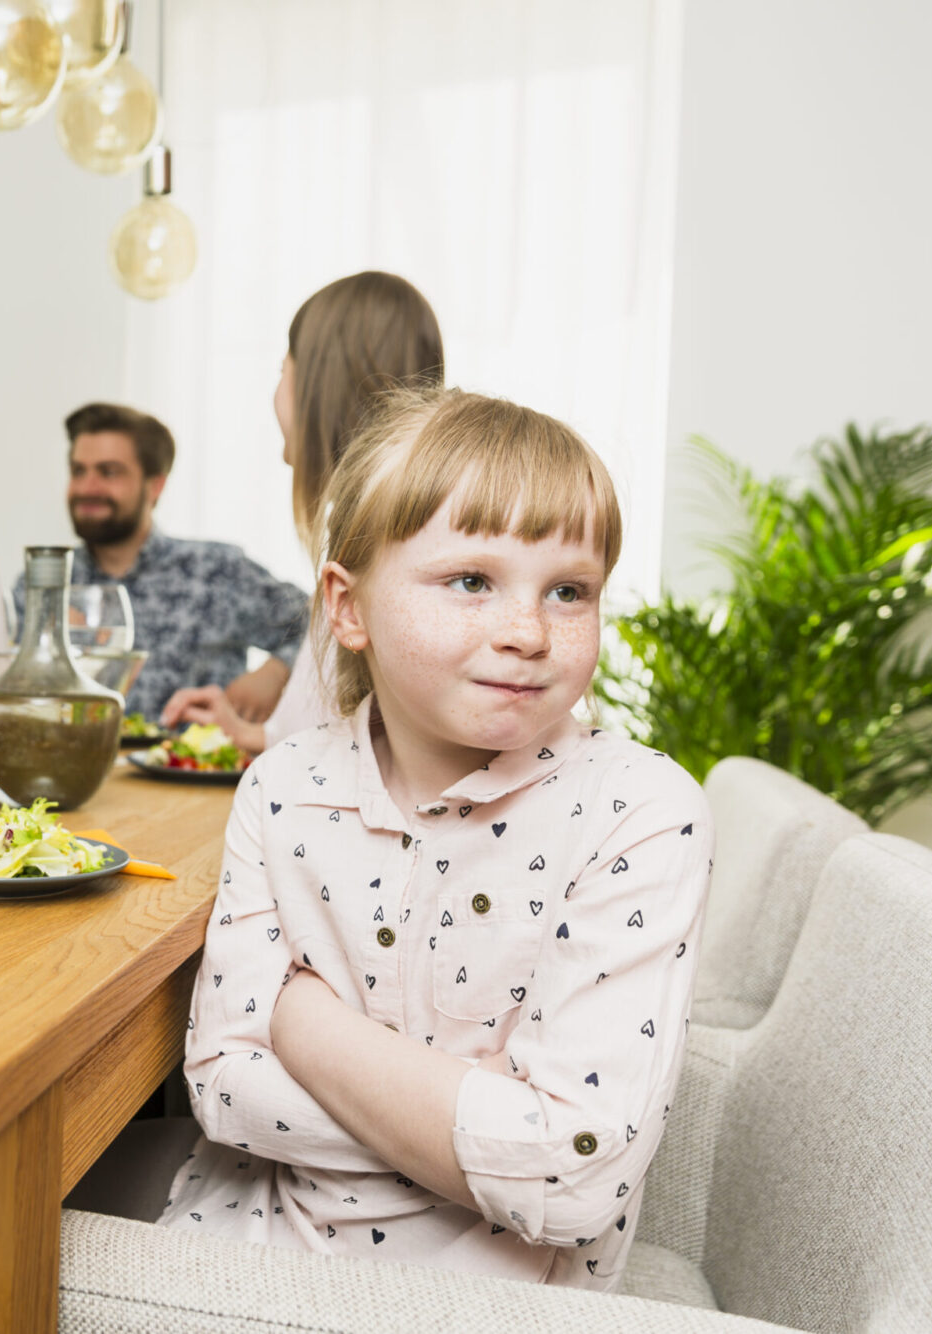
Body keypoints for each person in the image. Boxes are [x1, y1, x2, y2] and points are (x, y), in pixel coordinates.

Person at [161, 386, 712, 1289]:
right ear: (348, 607)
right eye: (471, 581)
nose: (528, 632)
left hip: (503, 1302)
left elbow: (574, 1179)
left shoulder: (639, 809)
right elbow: (223, 1090)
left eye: (569, 591)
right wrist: (483, 1114)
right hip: (255, 1252)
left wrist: (301, 1024)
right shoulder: (284, 787)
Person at [161, 270, 443, 752]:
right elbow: (337, 734)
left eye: (282, 371)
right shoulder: (382, 523)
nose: (275, 395)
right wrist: (246, 732)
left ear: (317, 385)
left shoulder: (382, 544)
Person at [21, 402, 307, 721]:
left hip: (189, 766)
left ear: (155, 485)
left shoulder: (216, 570)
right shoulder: (41, 585)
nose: (88, 487)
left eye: (109, 472)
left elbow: (324, 622)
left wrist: (277, 672)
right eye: (78, 471)